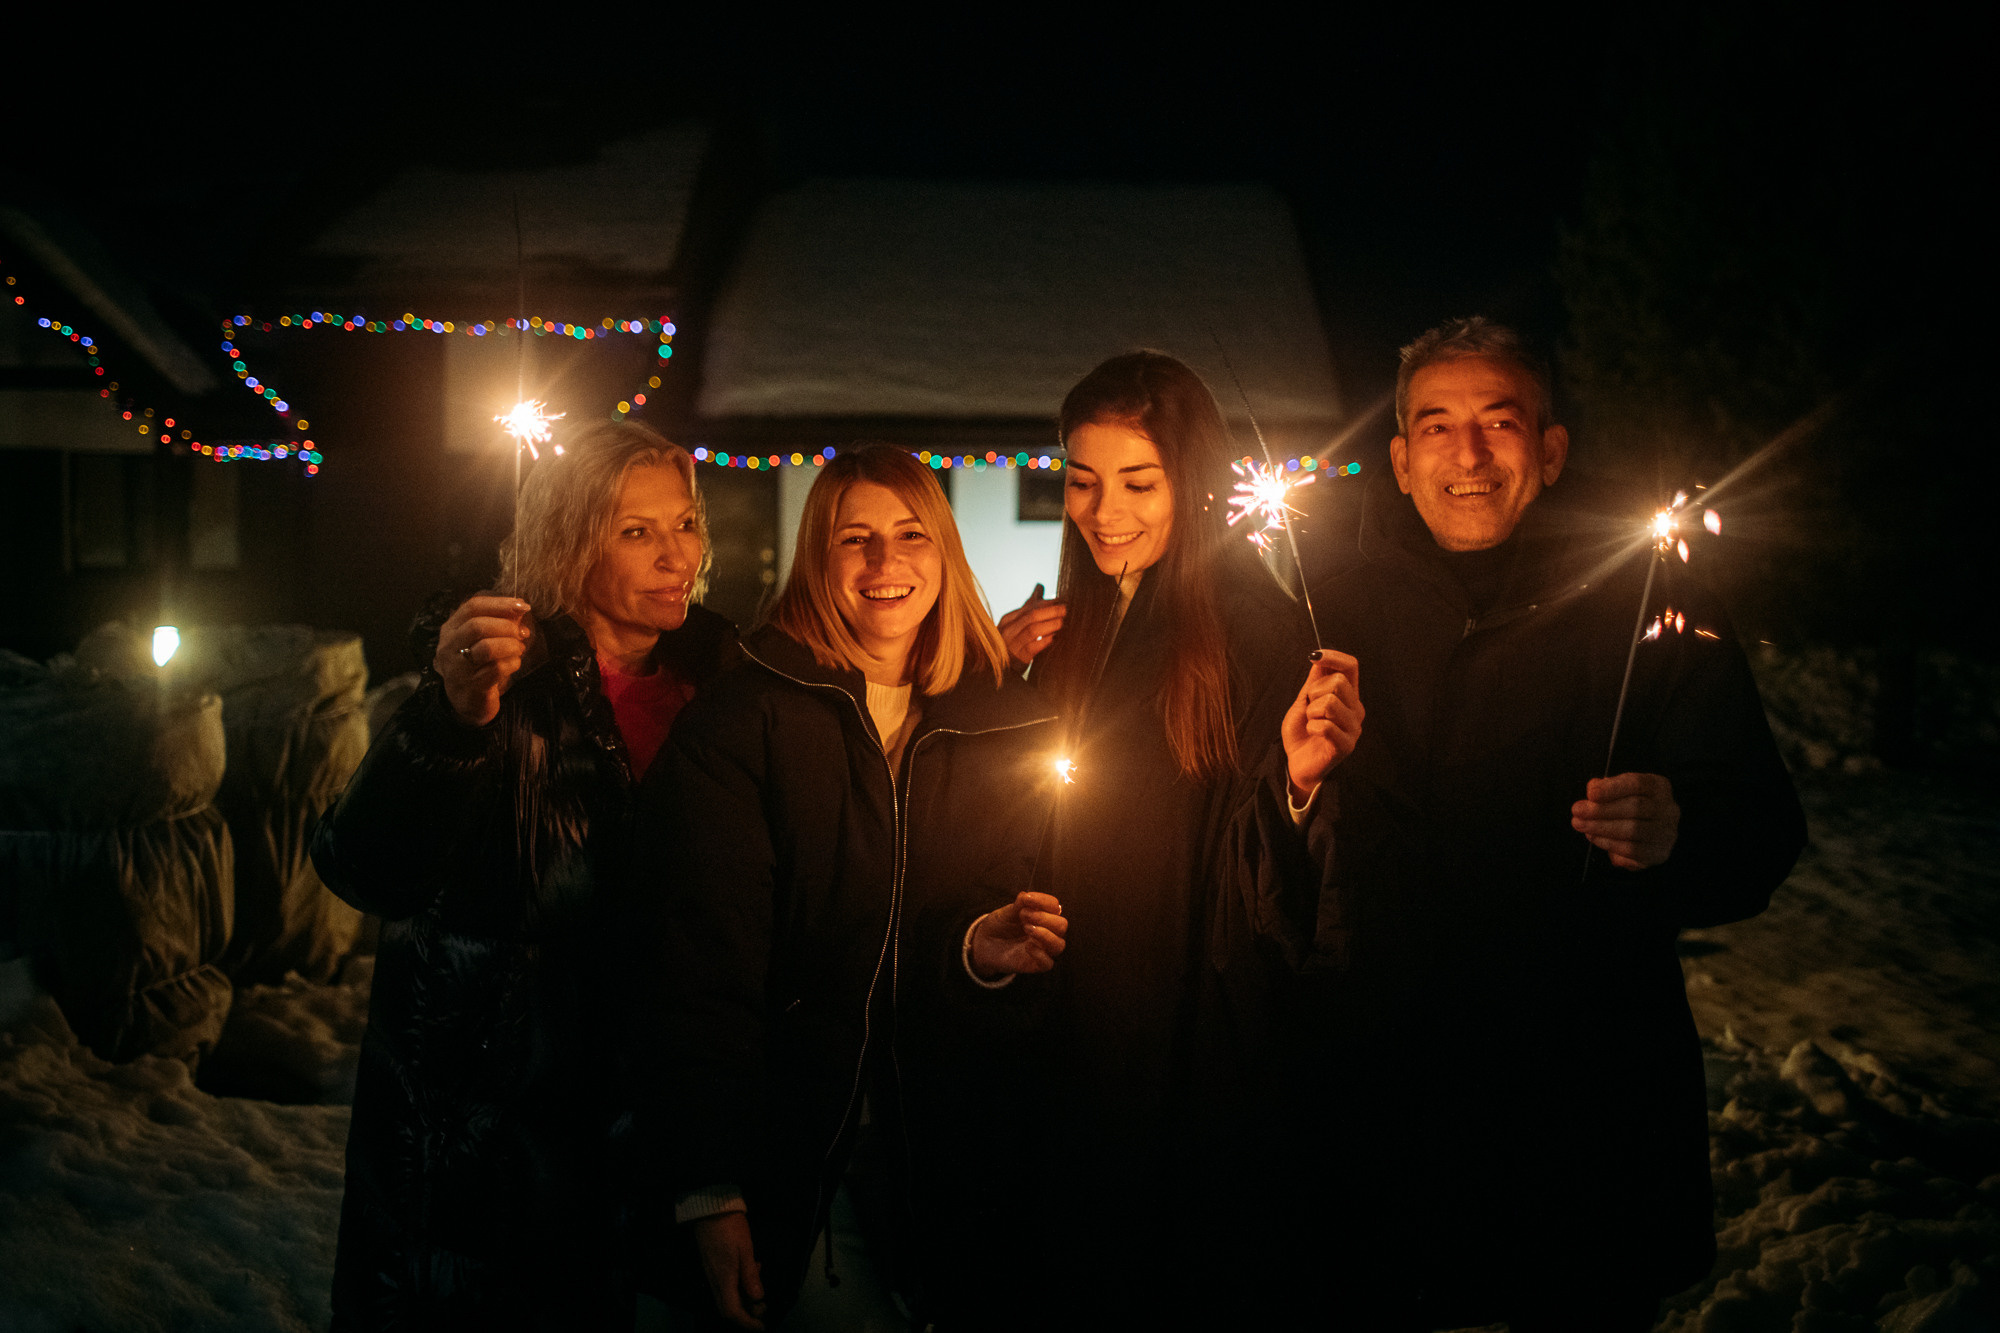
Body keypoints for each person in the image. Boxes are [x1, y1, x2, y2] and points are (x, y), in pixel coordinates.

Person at [1300, 317, 1806, 1331]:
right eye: (1436, 426)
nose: (1468, 453)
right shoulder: (1318, 610)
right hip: (1383, 1093)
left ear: (1550, 448)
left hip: (1583, 1100)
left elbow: (1758, 822)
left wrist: (1681, 824)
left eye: (1499, 420)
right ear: (1398, 461)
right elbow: (1236, 816)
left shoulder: (1651, 602)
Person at [310, 421, 738, 1330]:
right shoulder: (500, 679)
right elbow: (365, 868)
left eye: (687, 522)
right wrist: (451, 722)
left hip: (652, 1126)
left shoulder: (725, 683)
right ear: (570, 537)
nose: (678, 554)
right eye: (636, 530)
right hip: (488, 1149)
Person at [640, 444, 1069, 1330]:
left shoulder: (999, 720)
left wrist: (979, 949)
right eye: (855, 538)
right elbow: (699, 967)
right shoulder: (745, 719)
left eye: (912, 533)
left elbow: (969, 917)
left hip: (949, 1163)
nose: (885, 563)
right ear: (816, 558)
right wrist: (710, 1191)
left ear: (945, 551)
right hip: (797, 1157)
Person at [993, 350, 1360, 1326]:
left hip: (1187, 1034)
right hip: (1071, 1000)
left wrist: (1296, 782)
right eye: (1080, 479)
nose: (1103, 510)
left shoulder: (1251, 626)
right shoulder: (1074, 616)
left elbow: (1280, 866)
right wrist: (995, 676)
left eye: (1137, 481)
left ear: (1189, 482)